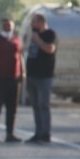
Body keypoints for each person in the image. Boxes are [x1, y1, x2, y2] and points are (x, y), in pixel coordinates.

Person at [23, 14, 57, 144]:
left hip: (44, 76)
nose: (32, 25)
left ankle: (45, 133)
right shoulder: (32, 35)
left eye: (34, 22)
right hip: (32, 75)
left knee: (43, 105)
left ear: (41, 23)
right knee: (35, 105)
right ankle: (38, 133)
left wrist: (37, 40)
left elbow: (50, 49)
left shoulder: (50, 34)